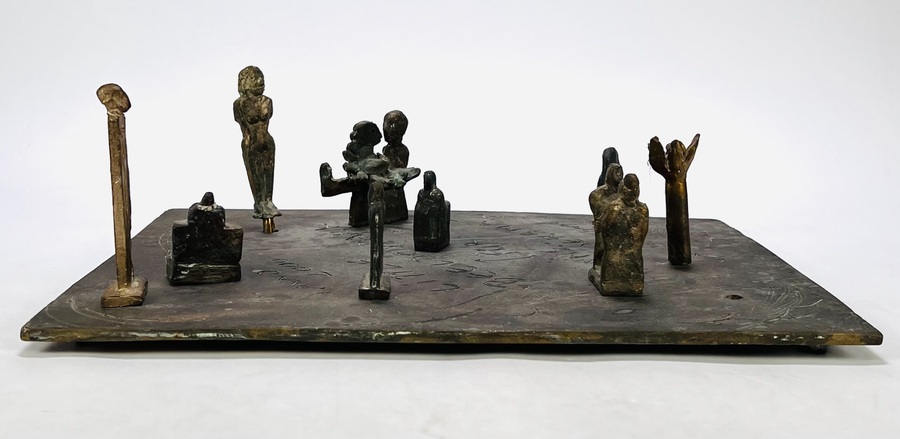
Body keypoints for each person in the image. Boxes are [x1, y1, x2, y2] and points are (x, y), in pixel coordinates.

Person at [233, 66, 280, 223]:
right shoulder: (239, 104)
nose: (260, 81)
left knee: (268, 174)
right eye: (254, 78)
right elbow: (242, 123)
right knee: (256, 176)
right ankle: (259, 204)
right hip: (251, 143)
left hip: (267, 141)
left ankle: (268, 201)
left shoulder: (267, 101)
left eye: (261, 78)